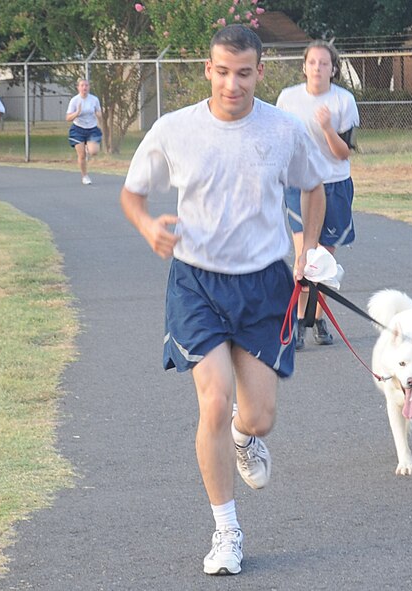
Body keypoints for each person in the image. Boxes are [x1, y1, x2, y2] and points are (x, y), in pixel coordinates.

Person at [120, 25, 328, 576]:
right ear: (207, 70)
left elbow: (314, 187)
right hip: (196, 283)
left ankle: (244, 437)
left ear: (260, 72)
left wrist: (306, 250)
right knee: (212, 401)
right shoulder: (175, 129)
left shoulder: (284, 129)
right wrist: (147, 227)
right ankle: (226, 532)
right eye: (222, 71)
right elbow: (132, 193)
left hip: (263, 283)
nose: (231, 83)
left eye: (243, 72)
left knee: (257, 417)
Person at [276, 40, 359, 350]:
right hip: (299, 185)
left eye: (324, 63)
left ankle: (319, 318)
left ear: (333, 69)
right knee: (304, 258)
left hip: (334, 184)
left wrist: (327, 128)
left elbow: (342, 154)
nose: (318, 68)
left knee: (322, 262)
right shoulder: (288, 99)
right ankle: (299, 320)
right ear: (304, 66)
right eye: (312, 62)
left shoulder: (343, 101)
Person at [66, 78, 103, 185]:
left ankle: (88, 147)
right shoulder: (74, 100)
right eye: (82, 85)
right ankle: (85, 176)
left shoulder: (94, 99)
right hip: (78, 129)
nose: (84, 88)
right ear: (78, 88)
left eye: (86, 85)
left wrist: (99, 115)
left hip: (92, 128)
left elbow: (99, 112)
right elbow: (68, 118)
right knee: (81, 155)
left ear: (89, 87)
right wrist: (77, 113)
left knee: (94, 152)